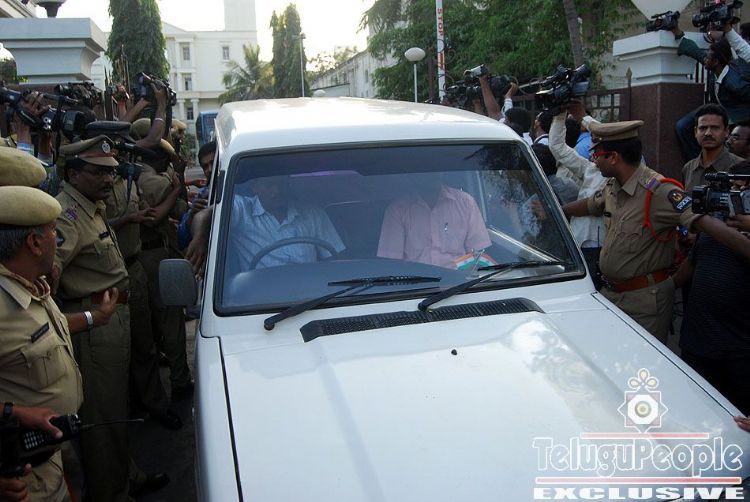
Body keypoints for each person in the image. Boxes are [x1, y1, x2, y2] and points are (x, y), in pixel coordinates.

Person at [562, 120, 750, 344]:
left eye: (597, 155)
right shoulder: (613, 186)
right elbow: (591, 205)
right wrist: (556, 211)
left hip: (644, 304)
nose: (594, 161)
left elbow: (705, 223)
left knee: (642, 362)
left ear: (613, 157)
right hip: (611, 295)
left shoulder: (660, 191)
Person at [0, 148, 118, 502]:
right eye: (54, 232)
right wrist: (17, 414)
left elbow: (44, 333)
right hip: (22, 477)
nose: (59, 237)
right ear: (35, 243)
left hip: (50, 458)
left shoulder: (29, 283)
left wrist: (95, 317)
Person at [54, 136, 168, 501]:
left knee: (116, 406)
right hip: (95, 324)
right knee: (103, 416)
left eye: (111, 172)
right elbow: (47, 276)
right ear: (73, 174)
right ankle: (113, 492)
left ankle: (125, 476)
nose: (108, 179)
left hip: (111, 316)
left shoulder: (90, 205)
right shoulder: (67, 216)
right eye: (98, 172)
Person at [229, 175, 345, 270]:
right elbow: (223, 207)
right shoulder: (242, 211)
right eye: (269, 185)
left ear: (289, 184)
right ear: (254, 187)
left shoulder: (313, 215)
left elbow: (336, 262)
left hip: (311, 289)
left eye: (282, 184)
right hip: (260, 291)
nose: (277, 191)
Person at [377, 173, 491, 269]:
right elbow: (392, 264)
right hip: (415, 284)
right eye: (425, 171)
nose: (431, 175)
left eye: (435, 171)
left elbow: (478, 255)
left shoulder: (466, 204)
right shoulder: (398, 210)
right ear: (413, 175)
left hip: (461, 282)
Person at [672, 26, 750, 162]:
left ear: (716, 61)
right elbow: (697, 53)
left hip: (736, 120)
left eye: (708, 57)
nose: (705, 59)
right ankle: (699, 163)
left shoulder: (734, 83)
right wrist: (678, 33)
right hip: (718, 109)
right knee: (683, 126)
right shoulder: (716, 68)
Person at [682, 103, 743, 192]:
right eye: (703, 128)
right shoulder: (688, 168)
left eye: (715, 128)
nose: (708, 133)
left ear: (726, 131)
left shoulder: (740, 167)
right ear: (695, 132)